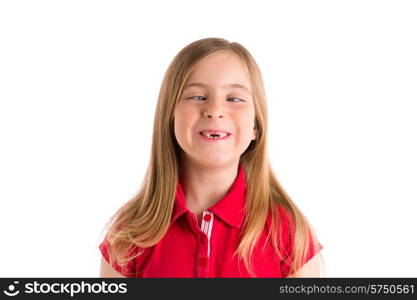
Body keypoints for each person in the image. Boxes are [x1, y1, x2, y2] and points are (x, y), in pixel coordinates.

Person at [99, 37, 325, 278]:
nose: (215, 110)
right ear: (170, 117)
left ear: (256, 127)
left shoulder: (289, 233)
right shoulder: (129, 234)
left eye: (234, 98)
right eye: (197, 96)